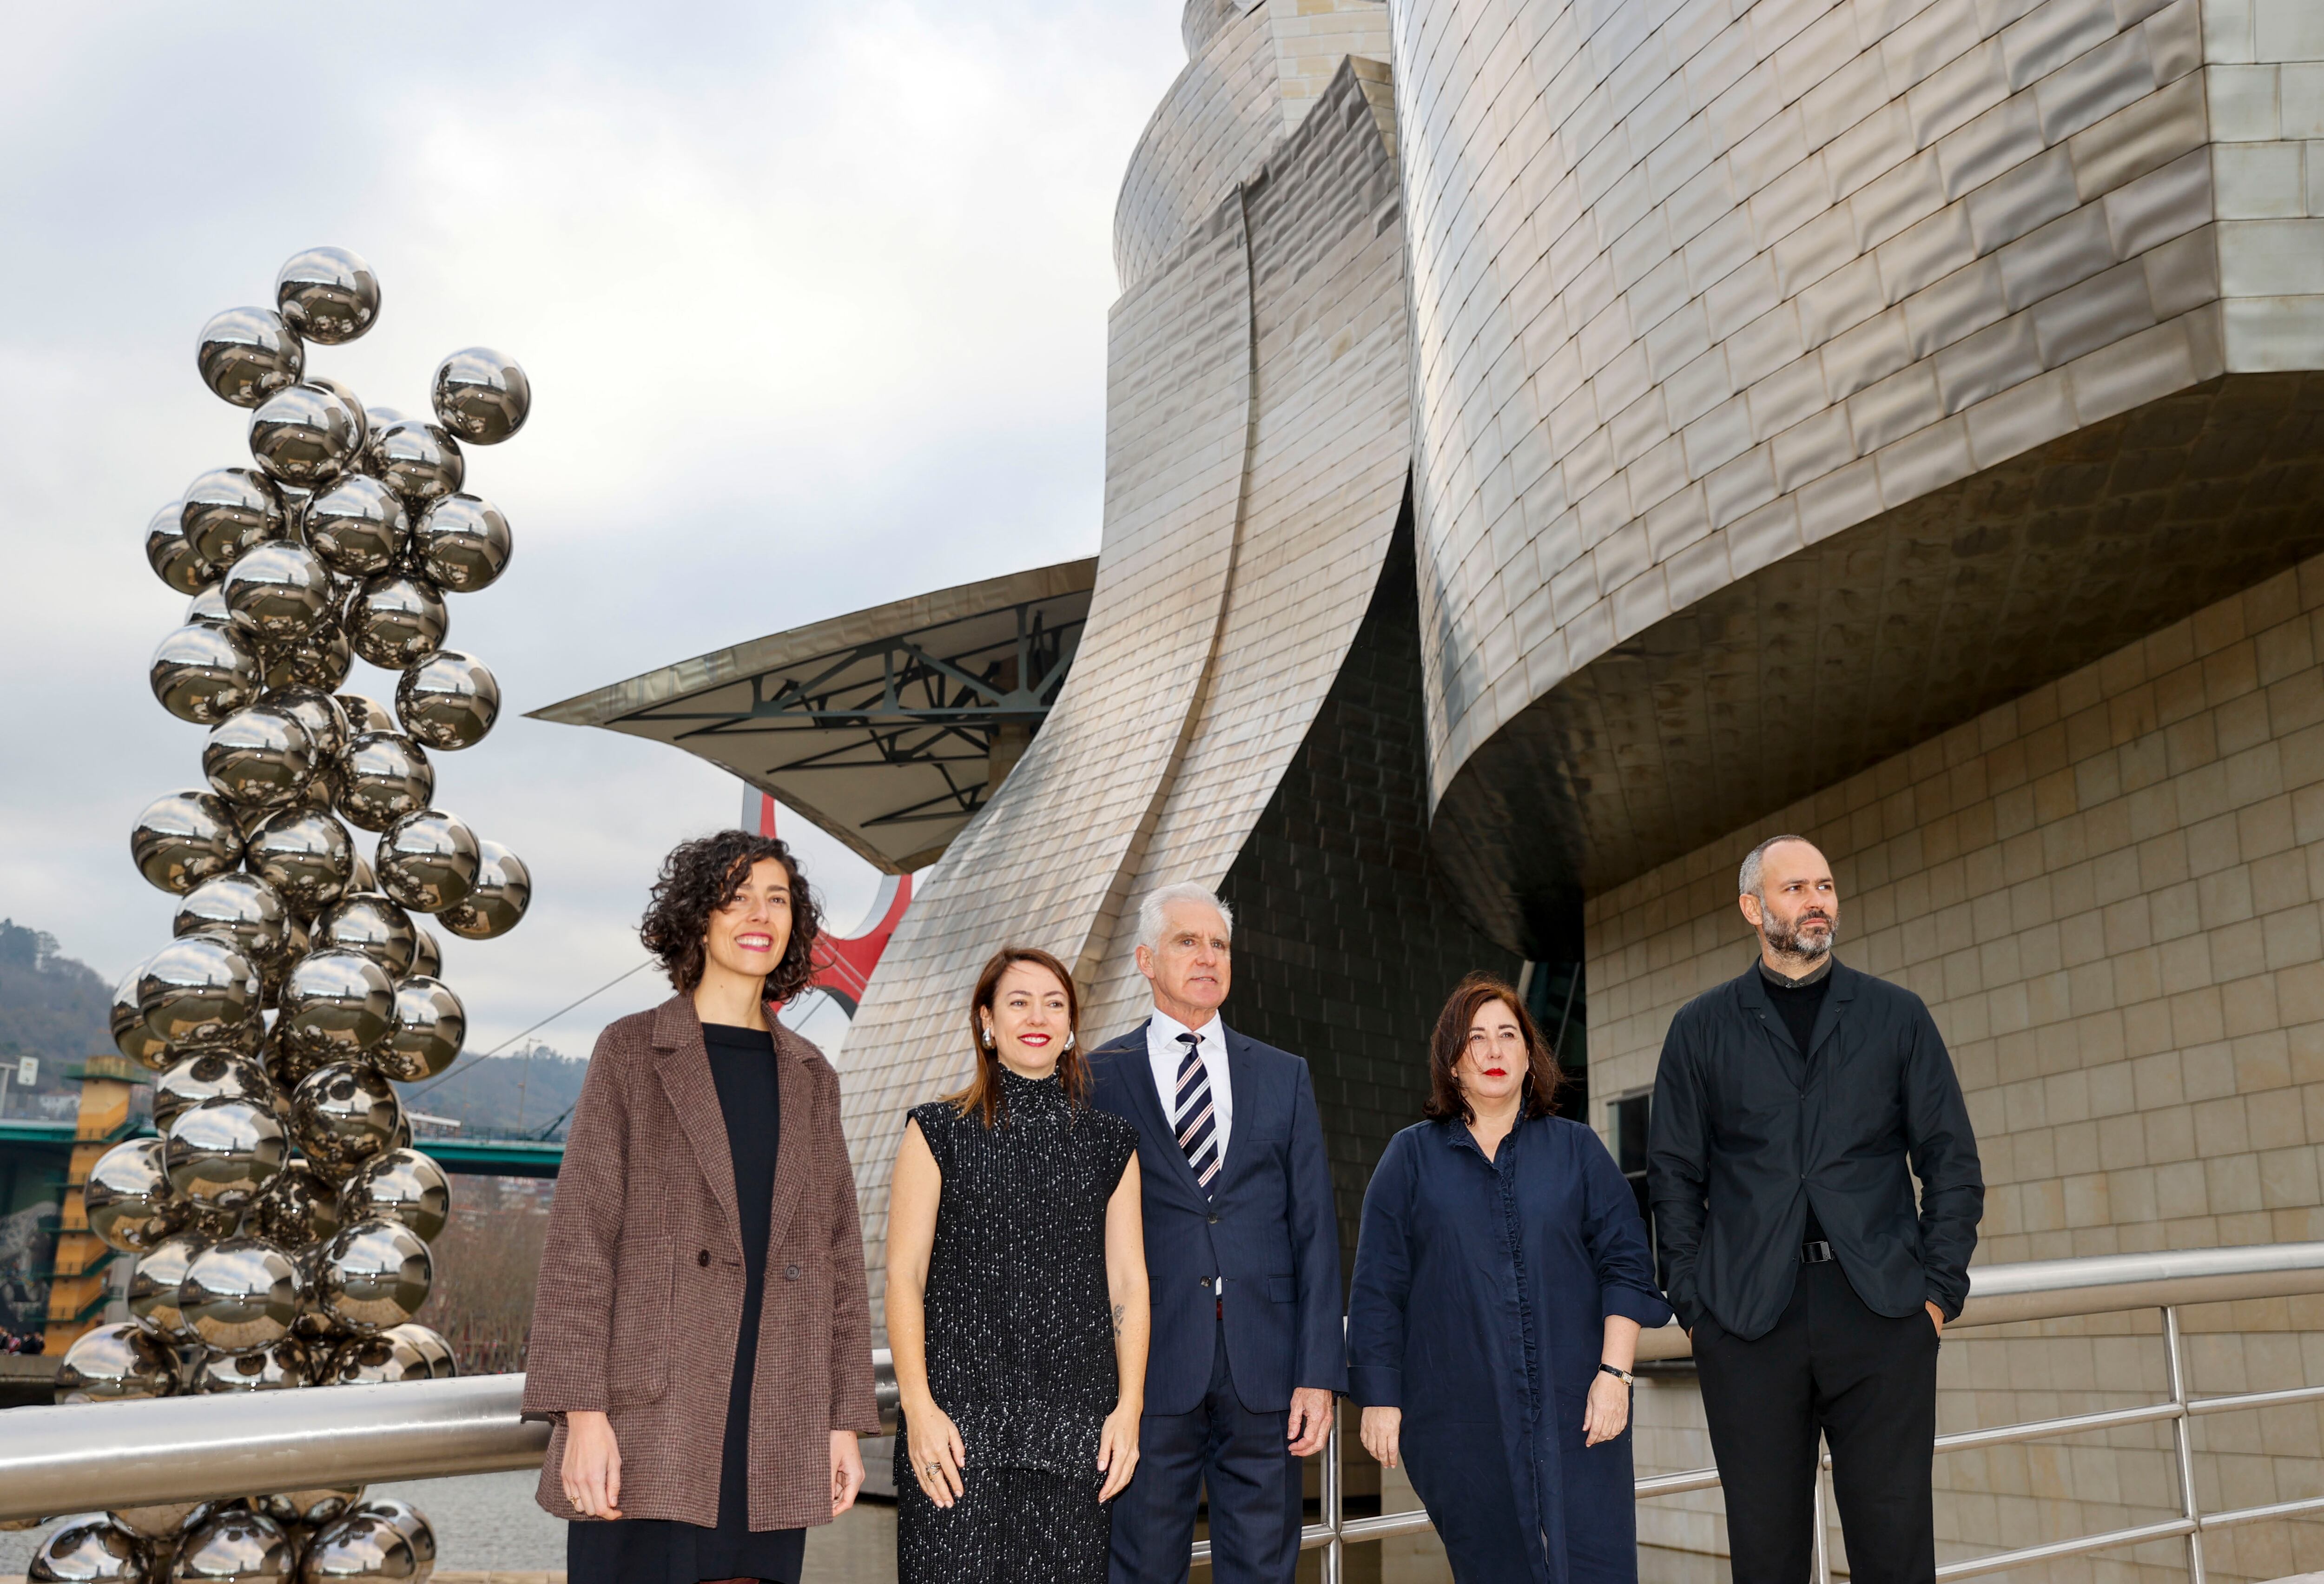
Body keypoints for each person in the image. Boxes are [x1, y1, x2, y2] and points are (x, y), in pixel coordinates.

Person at [522, 830, 880, 1584]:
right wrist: (581, 1415)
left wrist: (841, 1421)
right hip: (647, 1418)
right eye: (737, 894)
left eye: (777, 898)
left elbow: (839, 1260)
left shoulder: (813, 1074)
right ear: (699, 917)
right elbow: (580, 1247)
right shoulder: (631, 1051)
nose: (760, 912)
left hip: (775, 1423)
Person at [1647, 834, 1984, 1584]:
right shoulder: (1700, 1030)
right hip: (1746, 1324)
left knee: (1895, 1553)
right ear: (1751, 907)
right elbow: (1672, 1177)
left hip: (1881, 1314)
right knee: (1767, 1560)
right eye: (1795, 888)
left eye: (1825, 886)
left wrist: (1936, 1295)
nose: (1816, 901)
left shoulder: (1898, 1017)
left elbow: (1952, 1163)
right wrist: (1696, 1307)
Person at [1347, 973, 1669, 1584]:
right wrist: (1381, 1399)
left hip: (1583, 1408)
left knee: (1597, 1566)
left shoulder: (1577, 1151)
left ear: (1529, 1056)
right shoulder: (1408, 1160)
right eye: (1476, 1039)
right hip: (1457, 1421)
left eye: (1507, 1036)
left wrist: (1615, 1376)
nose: (1494, 1051)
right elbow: (1377, 1292)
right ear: (1452, 1059)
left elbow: (1627, 1264)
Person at [1086, 883, 1346, 1584]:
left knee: (1264, 1569)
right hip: (1147, 1367)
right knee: (1139, 1566)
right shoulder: (1098, 1078)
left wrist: (1319, 1373)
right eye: (1188, 941)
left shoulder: (1284, 1076)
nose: (1208, 957)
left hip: (1265, 1368)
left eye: (1220, 944)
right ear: (1145, 959)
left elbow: (1315, 1229)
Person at [885, 946, 1150, 1584]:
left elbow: (1129, 1283)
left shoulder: (1111, 1143)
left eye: (1054, 1003)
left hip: (1074, 1434)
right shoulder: (936, 1131)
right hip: (955, 1436)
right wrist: (919, 1410)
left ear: (1071, 1026)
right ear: (987, 1021)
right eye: (1019, 1001)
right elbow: (904, 1277)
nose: (1038, 1016)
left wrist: (1128, 1411)